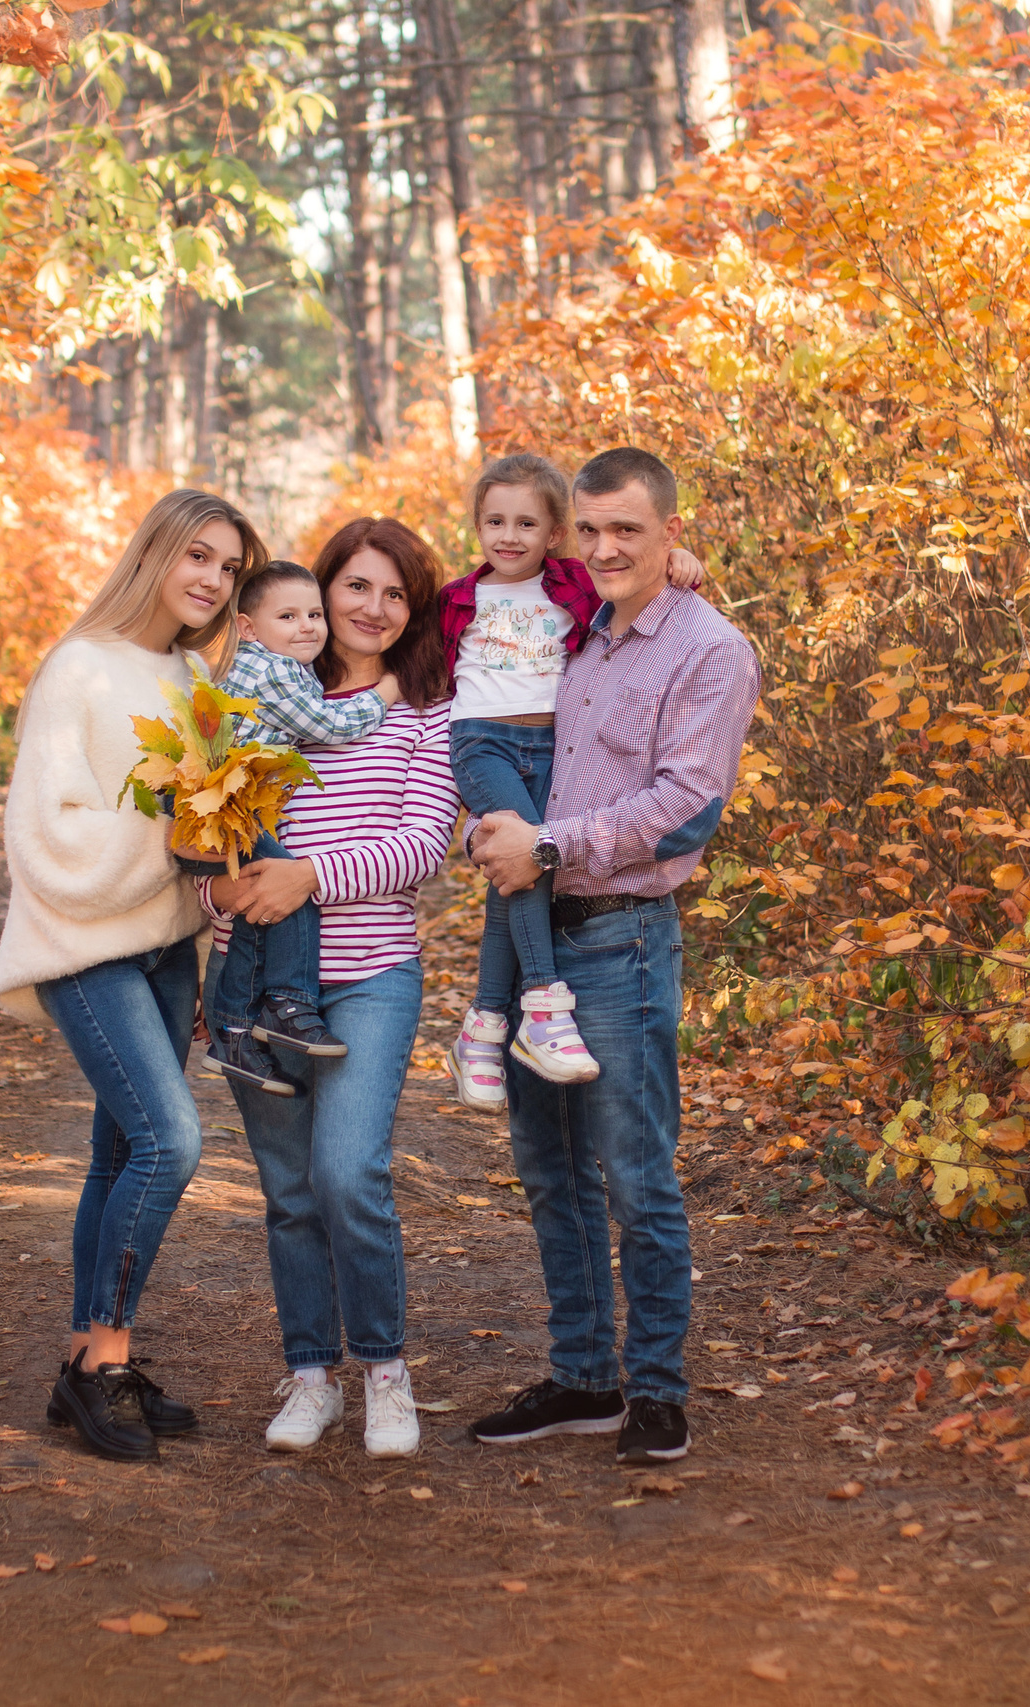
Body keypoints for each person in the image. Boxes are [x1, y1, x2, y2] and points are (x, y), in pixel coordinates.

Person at [462, 448, 760, 1466]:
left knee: (635, 1175)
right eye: (587, 530)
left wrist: (546, 845)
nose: (603, 548)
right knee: (551, 1172)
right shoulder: (578, 630)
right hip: (534, 935)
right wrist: (495, 825)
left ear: (672, 530)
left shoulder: (709, 650)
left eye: (626, 529)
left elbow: (686, 809)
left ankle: (658, 1392)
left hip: (621, 941)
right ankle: (584, 1377)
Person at [0, 488, 266, 1462]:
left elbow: (213, 829)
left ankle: (84, 1357)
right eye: (198, 556)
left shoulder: (194, 677)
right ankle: (101, 1362)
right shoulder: (79, 664)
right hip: (85, 944)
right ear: (153, 553)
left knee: (118, 1155)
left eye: (230, 568)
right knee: (169, 1141)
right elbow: (45, 830)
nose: (213, 580)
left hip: (166, 947)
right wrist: (170, 828)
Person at [201, 518, 457, 1460]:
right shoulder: (251, 700)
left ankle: (385, 1370)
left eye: (395, 594)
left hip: (372, 976)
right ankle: (312, 1373)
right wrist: (223, 894)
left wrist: (307, 877)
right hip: (255, 974)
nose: (373, 608)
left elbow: (420, 847)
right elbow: (209, 833)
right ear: (321, 590)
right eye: (356, 586)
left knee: (348, 1174)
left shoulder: (426, 713)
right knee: (289, 1190)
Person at [437, 454, 704, 1111]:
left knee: (522, 867)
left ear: (555, 533)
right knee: (530, 859)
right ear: (476, 525)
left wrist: (678, 558)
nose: (508, 535)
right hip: (481, 741)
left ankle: (482, 1027)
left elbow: (631, 572)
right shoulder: (456, 598)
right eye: (494, 521)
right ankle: (543, 1005)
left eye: (526, 523)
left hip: (545, 743)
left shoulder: (574, 585)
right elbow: (417, 667)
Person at [193, 560, 405, 1096]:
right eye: (288, 616)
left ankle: (234, 1034)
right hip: (231, 808)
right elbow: (331, 725)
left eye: (314, 614)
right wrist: (386, 691)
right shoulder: (276, 671)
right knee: (288, 893)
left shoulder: (265, 663)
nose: (307, 626)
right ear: (248, 627)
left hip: (222, 806)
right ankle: (288, 1004)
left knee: (256, 916)